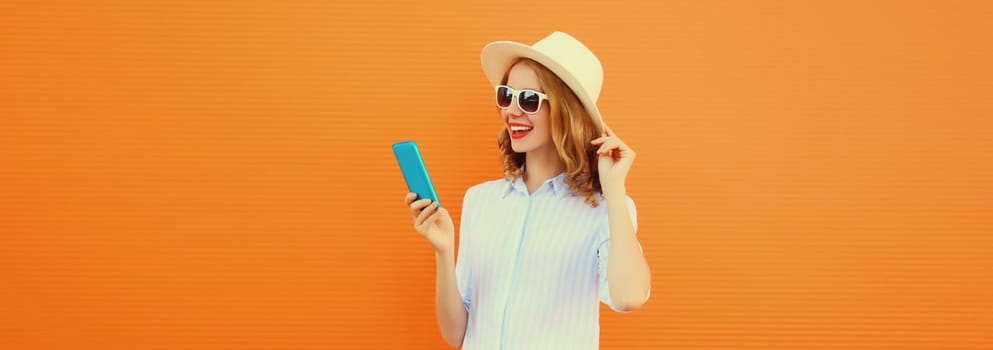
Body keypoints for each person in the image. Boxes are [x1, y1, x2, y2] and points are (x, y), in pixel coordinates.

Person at [402, 31, 651, 349]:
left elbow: (629, 297)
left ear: (566, 111)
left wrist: (614, 190)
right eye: (506, 95)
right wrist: (444, 251)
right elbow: (457, 335)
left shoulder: (606, 207)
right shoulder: (480, 200)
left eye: (529, 100)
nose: (511, 111)